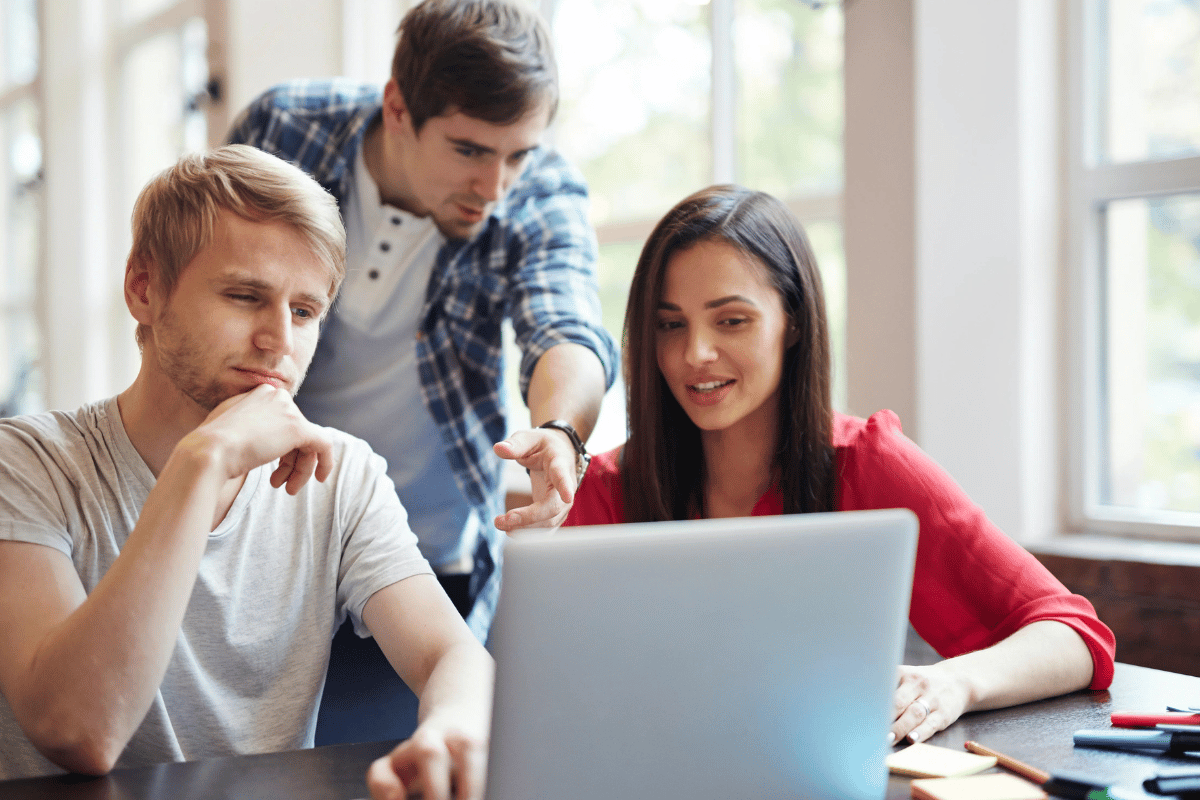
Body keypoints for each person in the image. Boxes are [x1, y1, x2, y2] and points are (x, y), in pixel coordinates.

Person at [0, 146, 491, 799]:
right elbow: (78, 730)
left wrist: (449, 727)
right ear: (144, 289)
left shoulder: (343, 476)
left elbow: (452, 656)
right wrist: (203, 462)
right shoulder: (26, 461)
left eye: (305, 312)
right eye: (244, 296)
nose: (280, 341)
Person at [563, 185, 1117, 745]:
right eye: (670, 324)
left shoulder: (868, 465)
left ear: (794, 322)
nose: (695, 353)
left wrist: (954, 683)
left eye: (731, 321)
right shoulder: (606, 492)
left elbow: (1075, 636)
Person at [227, 0, 617, 649]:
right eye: (468, 149)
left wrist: (558, 430)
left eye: (517, 154)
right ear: (399, 108)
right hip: (262, 543)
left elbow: (566, 323)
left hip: (422, 562)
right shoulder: (285, 131)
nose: (494, 185)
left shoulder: (539, 190)